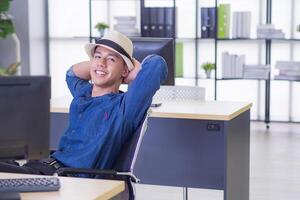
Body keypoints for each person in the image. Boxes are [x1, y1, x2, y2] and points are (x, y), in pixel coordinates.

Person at [0, 31, 168, 175]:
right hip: (42, 167)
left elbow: (157, 65)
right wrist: (101, 65)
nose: (101, 63)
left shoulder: (125, 107)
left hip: (68, 179)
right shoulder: (84, 93)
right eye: (97, 57)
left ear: (126, 70)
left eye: (111, 59)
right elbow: (71, 74)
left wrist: (129, 71)